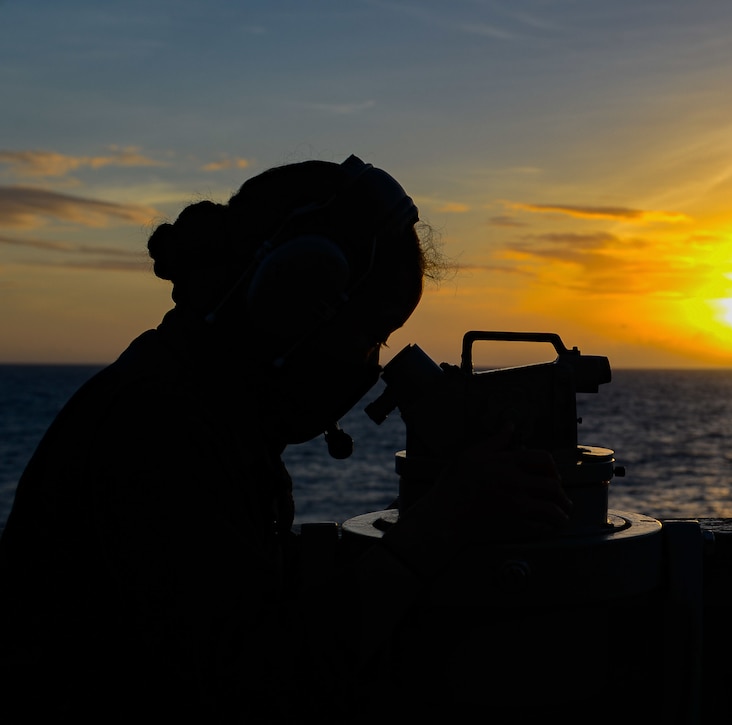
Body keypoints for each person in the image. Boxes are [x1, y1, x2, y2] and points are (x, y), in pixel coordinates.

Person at [0, 156, 573, 721]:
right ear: (289, 306)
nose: (372, 366)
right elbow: (260, 688)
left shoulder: (196, 407)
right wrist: (433, 531)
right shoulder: (157, 433)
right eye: (370, 336)